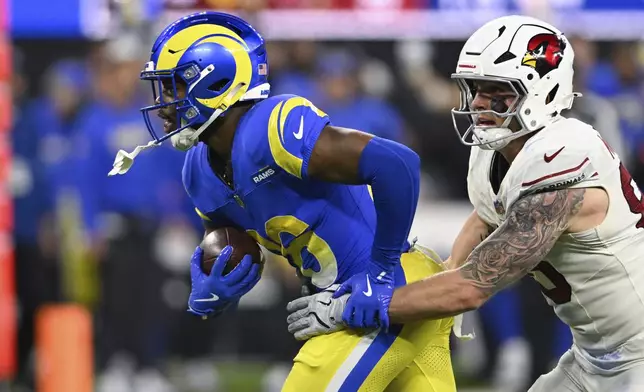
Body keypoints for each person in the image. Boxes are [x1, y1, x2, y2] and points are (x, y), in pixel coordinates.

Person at [286, 15, 644, 392]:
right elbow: (486, 218)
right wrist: (443, 271)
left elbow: (471, 288)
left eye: (497, 92)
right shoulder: (501, 152)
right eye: (475, 89)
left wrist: (353, 308)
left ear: (544, 92)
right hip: (595, 356)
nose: (479, 104)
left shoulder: (562, 161)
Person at [109, 11, 456, 392]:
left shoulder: (272, 127)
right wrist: (219, 286)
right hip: (348, 301)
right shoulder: (198, 171)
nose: (162, 105)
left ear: (214, 82)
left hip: (382, 290)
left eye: (173, 87)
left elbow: (399, 165)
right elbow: (236, 250)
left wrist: (381, 273)